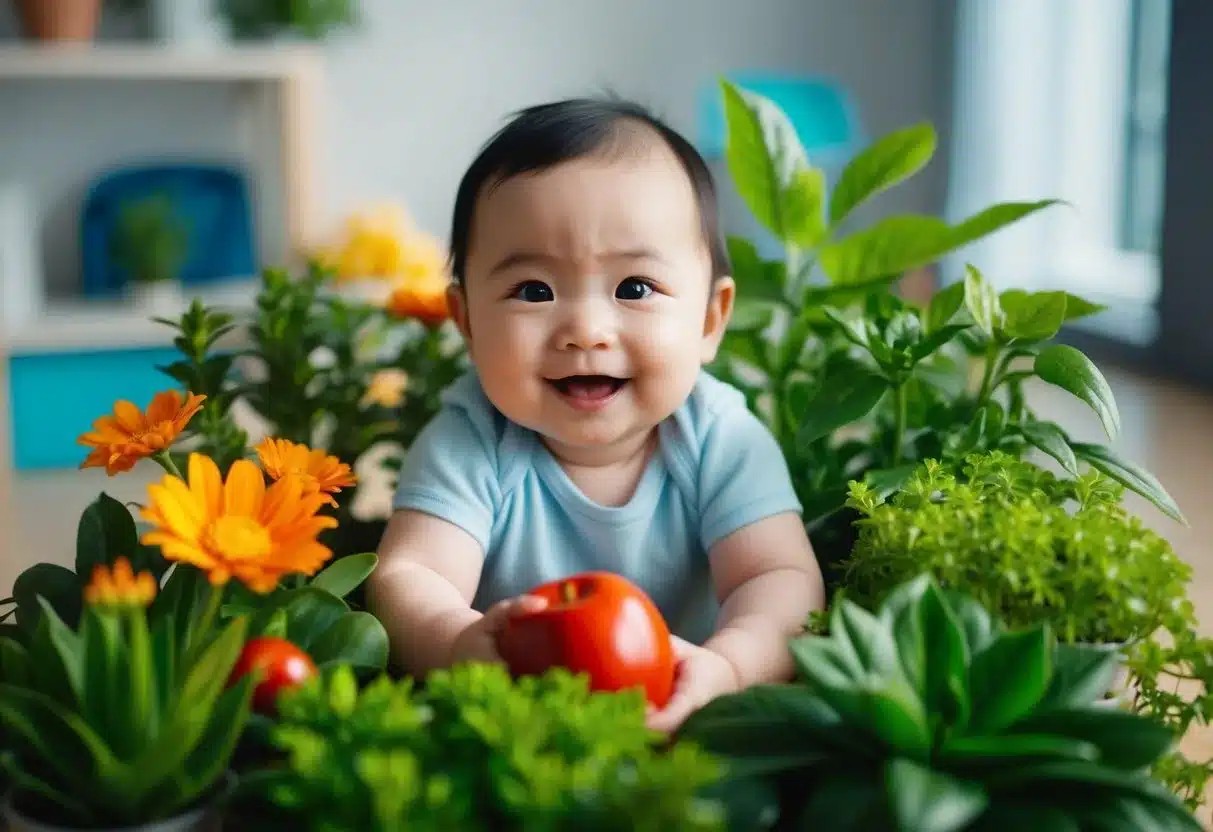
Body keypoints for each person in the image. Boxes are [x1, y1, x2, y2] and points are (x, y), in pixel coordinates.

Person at [367, 96, 825, 732]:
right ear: (467, 322)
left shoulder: (720, 437)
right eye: (534, 290)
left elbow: (780, 577)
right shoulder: (472, 439)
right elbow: (410, 575)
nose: (585, 329)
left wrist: (729, 668)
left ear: (709, 320)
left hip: (683, 716)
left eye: (634, 288)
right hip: (517, 723)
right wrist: (455, 644)